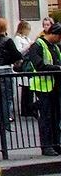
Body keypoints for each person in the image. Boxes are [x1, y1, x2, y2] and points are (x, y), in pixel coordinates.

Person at [23, 21, 61, 156]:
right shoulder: (38, 45)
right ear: (54, 34)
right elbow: (39, 66)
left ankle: (57, 144)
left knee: (55, 117)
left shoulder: (55, 47)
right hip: (42, 87)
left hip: (55, 87)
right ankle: (46, 146)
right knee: (45, 117)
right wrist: (58, 68)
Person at [13, 20, 35, 118]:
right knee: (26, 87)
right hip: (23, 64)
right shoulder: (17, 38)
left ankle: (28, 108)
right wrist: (28, 46)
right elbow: (18, 52)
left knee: (29, 87)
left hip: (29, 64)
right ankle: (25, 109)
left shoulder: (26, 38)